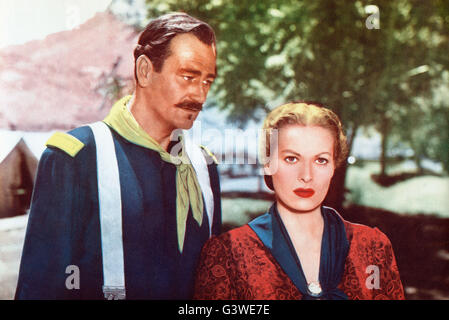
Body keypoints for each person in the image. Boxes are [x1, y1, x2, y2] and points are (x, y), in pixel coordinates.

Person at [15, 12, 221, 300]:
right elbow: (41, 287)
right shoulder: (76, 158)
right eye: (188, 76)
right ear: (145, 70)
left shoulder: (204, 167)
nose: (199, 94)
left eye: (207, 81)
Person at [194, 101, 404, 300]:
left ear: (334, 167)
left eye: (321, 160)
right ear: (268, 164)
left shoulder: (373, 247)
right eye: (291, 159)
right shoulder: (227, 253)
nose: (306, 175)